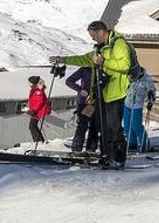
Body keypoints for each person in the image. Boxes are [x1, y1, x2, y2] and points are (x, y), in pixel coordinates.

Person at [50, 21, 132, 169]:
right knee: (104, 128)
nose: (92, 39)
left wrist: (104, 62)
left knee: (114, 128)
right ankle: (107, 156)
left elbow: (124, 65)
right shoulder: (99, 48)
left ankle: (118, 159)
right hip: (102, 93)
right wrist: (63, 60)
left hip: (115, 92)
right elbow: (83, 59)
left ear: (101, 32)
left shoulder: (118, 44)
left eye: (93, 35)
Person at [65, 66, 99, 155]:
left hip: (98, 101)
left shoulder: (103, 68)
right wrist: (80, 90)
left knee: (95, 126)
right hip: (84, 102)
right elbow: (69, 81)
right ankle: (76, 148)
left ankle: (91, 149)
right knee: (82, 126)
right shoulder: (85, 69)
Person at [26, 75, 51, 143]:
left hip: (39, 111)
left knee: (32, 126)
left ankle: (39, 141)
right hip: (36, 111)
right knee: (33, 126)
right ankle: (39, 141)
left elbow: (40, 101)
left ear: (33, 83)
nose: (28, 84)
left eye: (29, 83)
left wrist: (34, 110)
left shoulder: (38, 90)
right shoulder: (36, 89)